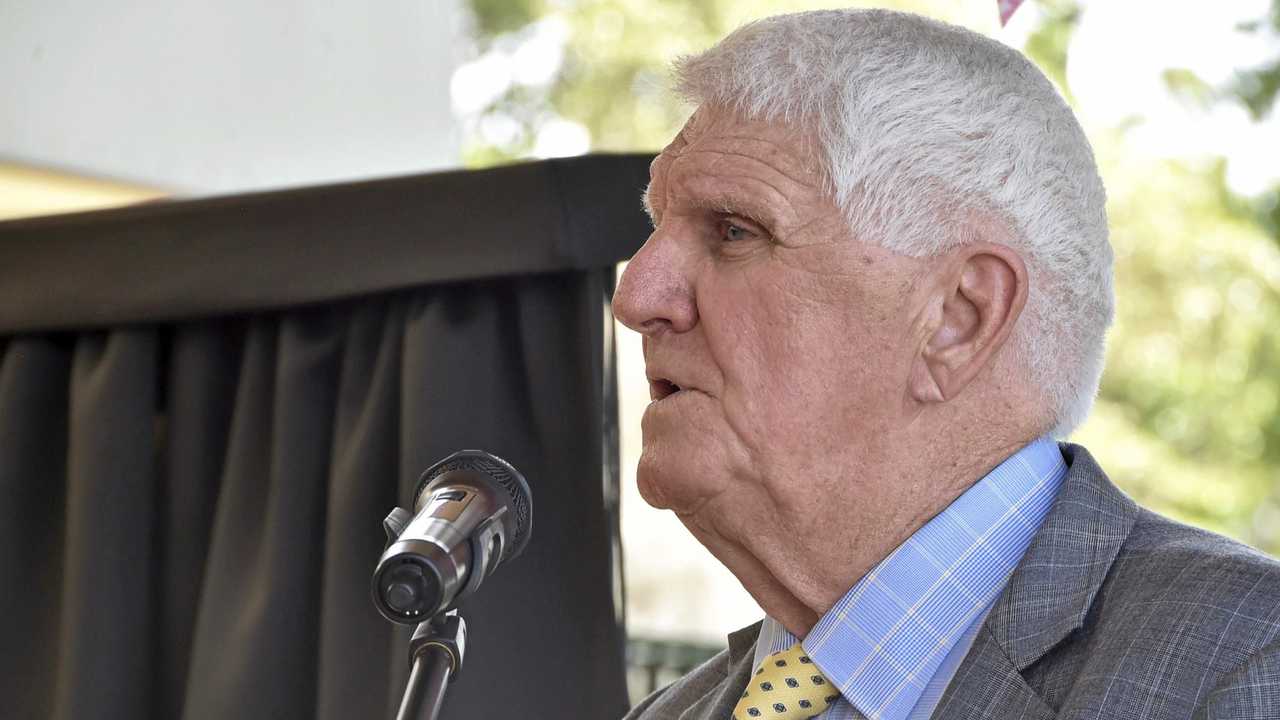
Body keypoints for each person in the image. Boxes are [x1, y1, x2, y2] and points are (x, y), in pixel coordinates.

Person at [611, 9, 1280, 720]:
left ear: (958, 319)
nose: (636, 295)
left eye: (735, 231)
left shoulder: (1247, 668)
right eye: (658, 229)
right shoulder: (672, 711)